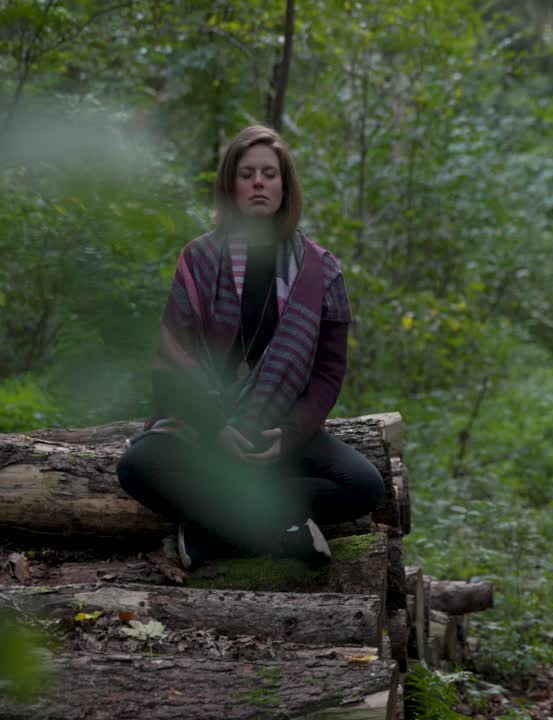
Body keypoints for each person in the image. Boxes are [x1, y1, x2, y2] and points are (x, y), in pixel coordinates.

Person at [117, 125, 384, 570]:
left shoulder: (321, 270)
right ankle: (282, 527)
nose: (259, 182)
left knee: (364, 487)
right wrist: (217, 428)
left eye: (269, 174)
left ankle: (212, 529)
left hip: (278, 428)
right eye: (247, 173)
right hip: (207, 428)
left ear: (285, 186)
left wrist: (291, 434)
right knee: (136, 465)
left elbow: (328, 370)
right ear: (230, 186)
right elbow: (174, 359)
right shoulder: (199, 259)